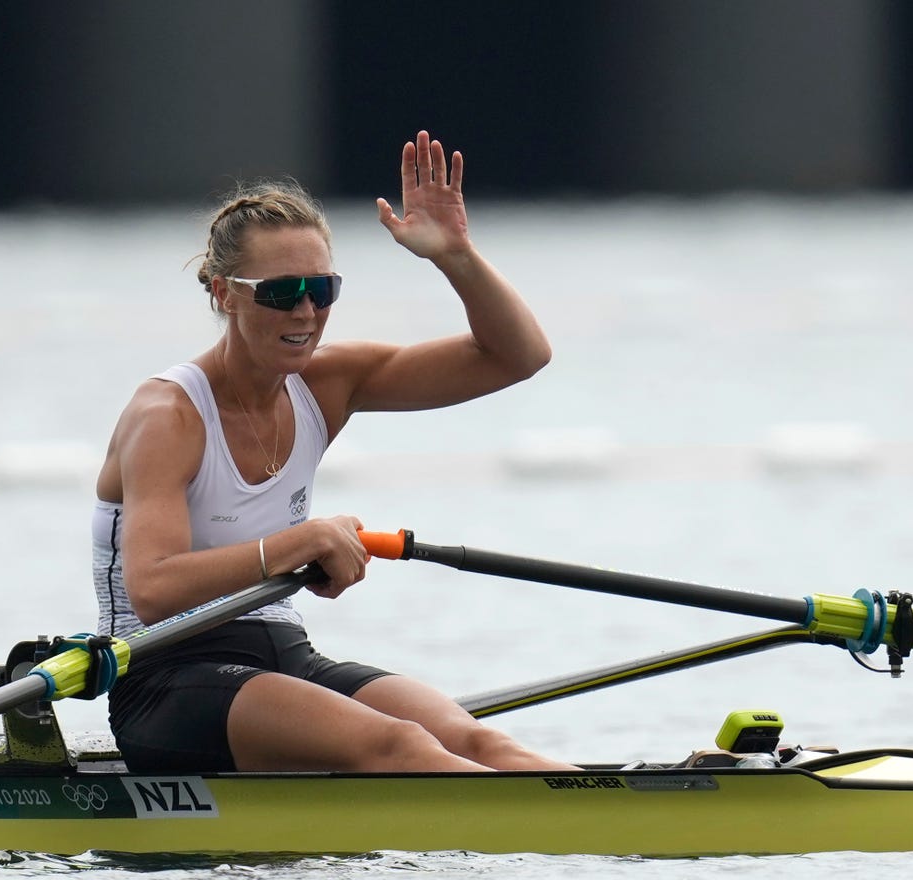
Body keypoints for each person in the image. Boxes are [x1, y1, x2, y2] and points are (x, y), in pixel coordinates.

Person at [93, 130, 573, 773]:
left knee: (481, 741)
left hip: (284, 653)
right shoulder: (168, 417)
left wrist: (454, 256)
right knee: (401, 746)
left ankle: (621, 839)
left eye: (323, 290)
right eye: (282, 292)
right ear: (222, 292)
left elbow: (518, 356)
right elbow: (152, 588)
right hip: (165, 678)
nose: (307, 311)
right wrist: (300, 543)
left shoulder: (327, 382)